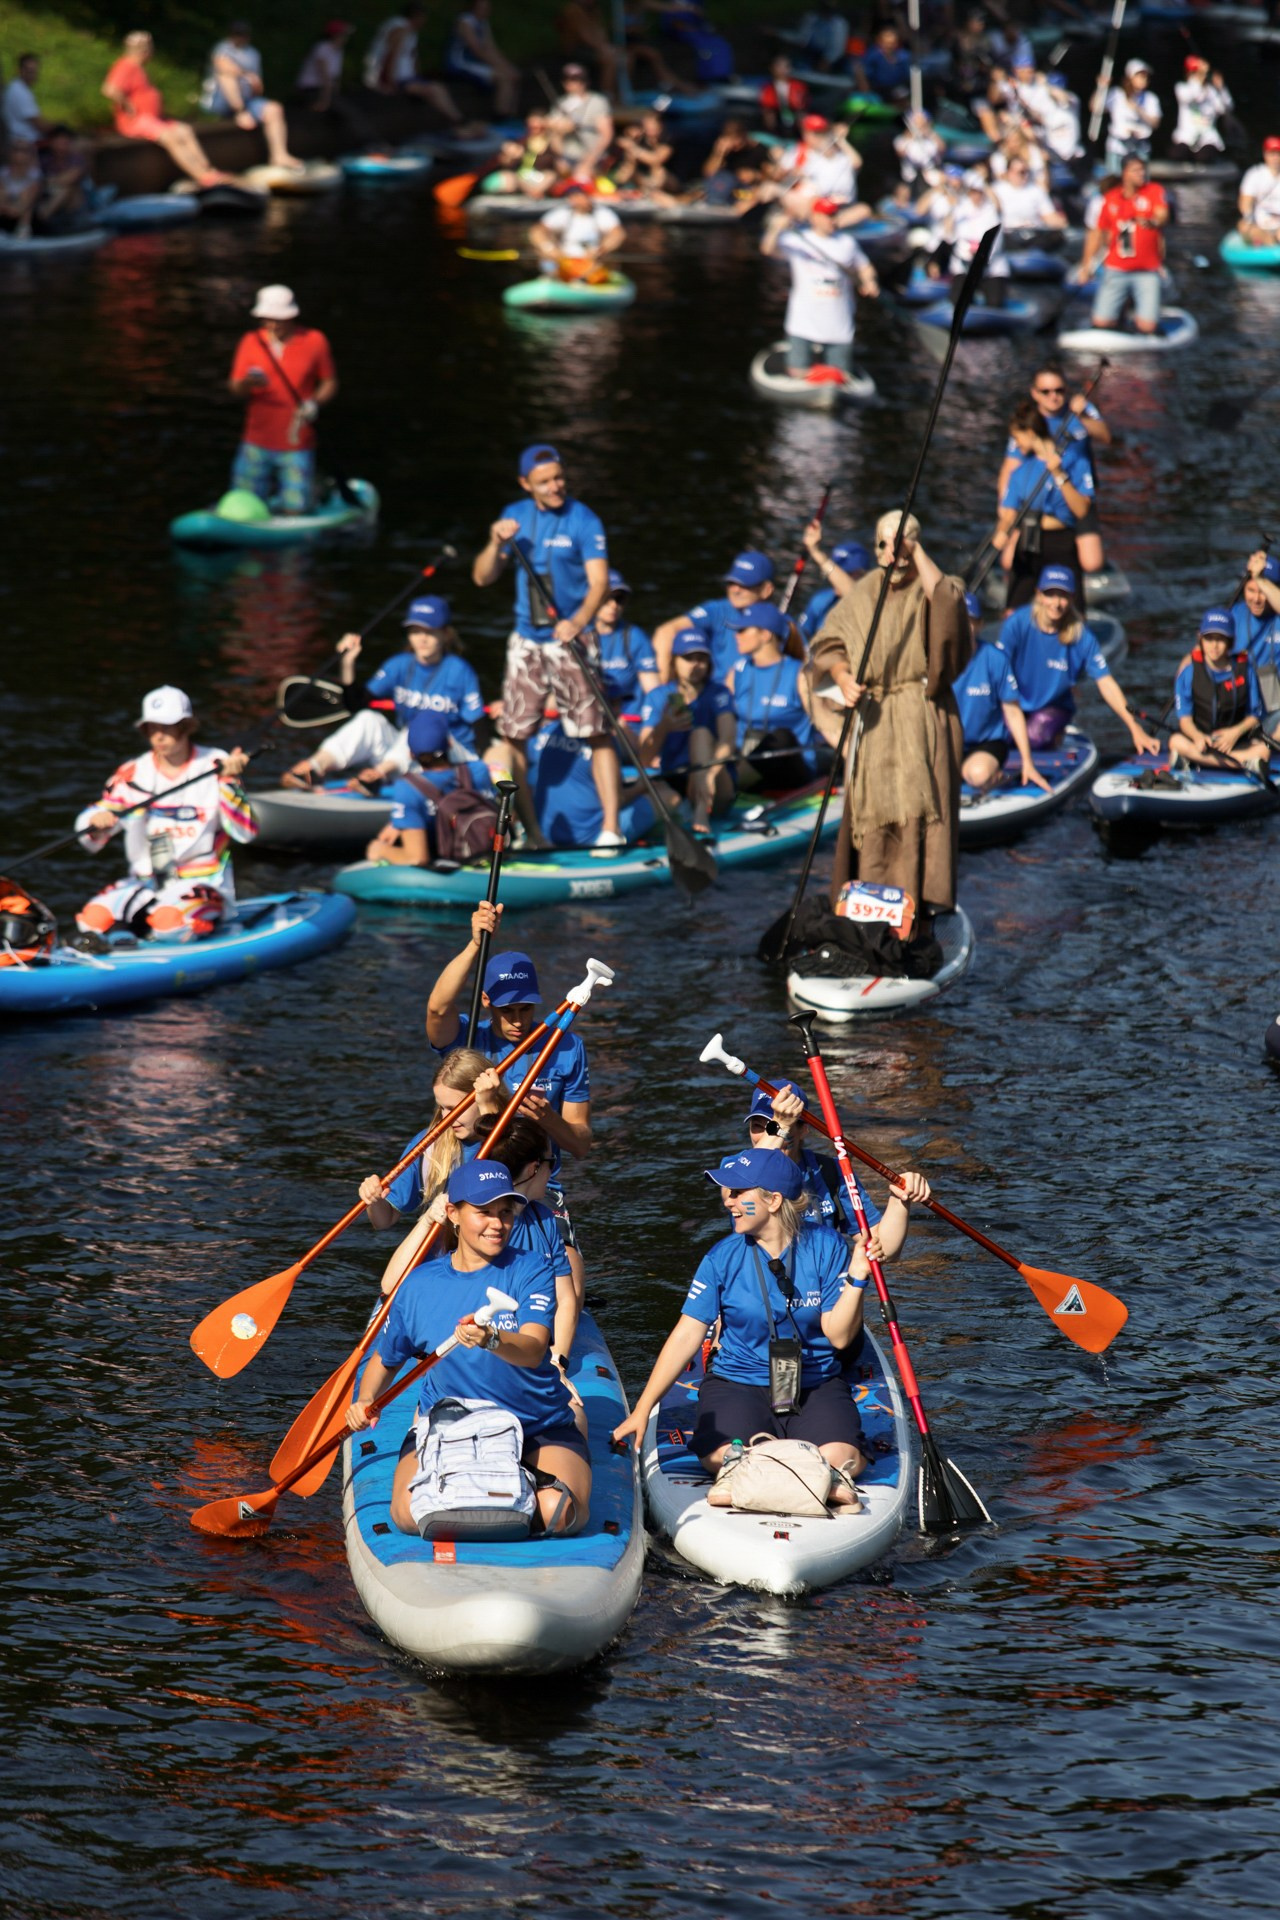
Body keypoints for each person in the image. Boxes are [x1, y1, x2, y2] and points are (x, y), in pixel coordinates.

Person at [611, 1148, 873, 1503]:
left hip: (815, 1381)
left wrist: (858, 1278)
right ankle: (808, 1475)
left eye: (738, 1193)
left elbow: (840, 1337)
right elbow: (687, 1334)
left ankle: (756, 1468)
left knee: (847, 1459)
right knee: (715, 1455)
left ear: (773, 1199)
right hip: (738, 1380)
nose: (728, 1202)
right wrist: (642, 1409)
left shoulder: (828, 1246)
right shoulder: (722, 1257)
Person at [346, 1159, 591, 1538]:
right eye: (484, 1212)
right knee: (410, 1516)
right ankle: (500, 1484)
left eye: (505, 1212)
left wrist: (491, 1339)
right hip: (450, 1424)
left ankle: (563, 1429)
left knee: (559, 1515)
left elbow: (532, 1348)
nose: (498, 1224)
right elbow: (387, 1358)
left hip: (536, 1422)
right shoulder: (420, 1284)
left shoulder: (532, 1268)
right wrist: (365, 1400)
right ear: (452, 1213)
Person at [809, 512, 968, 924]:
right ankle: (869, 902)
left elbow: (949, 602)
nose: (891, 553)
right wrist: (843, 677)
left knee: (920, 808)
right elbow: (829, 642)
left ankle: (921, 902)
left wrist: (913, 550)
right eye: (883, 544)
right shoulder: (865, 592)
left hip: (922, 714)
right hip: (875, 719)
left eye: (900, 544)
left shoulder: (930, 586)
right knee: (873, 811)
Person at [471, 443, 620, 849]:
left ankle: (611, 829)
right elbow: (482, 578)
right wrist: (494, 541)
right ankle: (532, 834)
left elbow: (600, 582)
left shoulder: (583, 519)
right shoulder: (513, 516)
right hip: (526, 642)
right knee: (514, 736)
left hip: (570, 637)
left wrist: (579, 620)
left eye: (559, 478)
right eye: (545, 482)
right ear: (526, 485)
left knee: (595, 732)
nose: (556, 486)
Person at [73, 686, 255, 946]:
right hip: (145, 882)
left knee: (169, 924)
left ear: (187, 727)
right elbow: (92, 832)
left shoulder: (216, 764)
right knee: (91, 921)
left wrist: (229, 782)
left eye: (168, 727)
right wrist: (96, 821)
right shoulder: (132, 772)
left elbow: (246, 832)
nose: (159, 736)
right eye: (152, 728)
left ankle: (176, 928)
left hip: (203, 879)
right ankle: (128, 934)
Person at [426, 917, 592, 1195]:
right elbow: (437, 1009)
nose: (518, 1021)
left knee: (564, 1243)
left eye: (525, 1009)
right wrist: (475, 945)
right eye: (507, 1010)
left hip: (536, 1185)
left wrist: (548, 1119)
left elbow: (581, 1145)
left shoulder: (566, 1047)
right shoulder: (465, 1038)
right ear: (486, 1001)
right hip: (469, 1178)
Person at [285, 596, 487, 791]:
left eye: (430, 632)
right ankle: (315, 767)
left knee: (418, 725)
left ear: (444, 634)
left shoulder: (459, 670)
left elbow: (478, 725)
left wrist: (483, 775)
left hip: (449, 759)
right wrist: (347, 663)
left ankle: (377, 776)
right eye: (416, 631)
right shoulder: (399, 665)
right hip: (407, 757)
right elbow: (355, 705)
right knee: (368, 719)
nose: (422, 639)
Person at [731, 1079, 931, 1243]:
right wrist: (781, 1124)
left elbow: (880, 1249)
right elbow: (752, 1174)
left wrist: (900, 1199)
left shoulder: (832, 1171)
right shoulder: (731, 1171)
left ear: (803, 1130)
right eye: (758, 1126)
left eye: (780, 1125)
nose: (770, 1134)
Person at [997, 565, 1161, 754]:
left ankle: (1055, 735)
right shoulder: (1017, 623)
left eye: (1063, 596)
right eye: (1050, 594)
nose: (1056, 603)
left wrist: (1135, 729)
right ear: (1039, 595)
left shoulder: (1082, 636)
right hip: (1014, 702)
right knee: (1000, 735)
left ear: (1072, 598)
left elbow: (1106, 682)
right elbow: (997, 670)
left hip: (1053, 707)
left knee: (1036, 736)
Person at [360, 1046, 506, 1232]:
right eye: (442, 1108)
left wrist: (489, 1111)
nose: (447, 1118)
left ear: (483, 1098)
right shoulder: (427, 1143)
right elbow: (384, 1221)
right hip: (444, 1256)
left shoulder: (513, 1137)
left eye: (455, 1108)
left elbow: (506, 1164)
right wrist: (374, 1200)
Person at [227, 285, 337, 515]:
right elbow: (235, 388)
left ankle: (308, 501)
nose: (273, 325)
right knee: (244, 501)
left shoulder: (315, 341)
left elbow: (329, 382)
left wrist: (314, 403)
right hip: (256, 440)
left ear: (291, 317)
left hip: (296, 443)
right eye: (267, 319)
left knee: (295, 507)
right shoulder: (250, 342)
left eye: (279, 319)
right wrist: (248, 383)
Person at [996, 363, 1111, 578]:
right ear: (1035, 393)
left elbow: (1106, 436)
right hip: (1037, 497)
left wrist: (1082, 416)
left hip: (1075, 491)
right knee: (1007, 558)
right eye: (1046, 392)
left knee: (1092, 562)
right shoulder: (1029, 422)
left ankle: (1074, 573)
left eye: (1059, 390)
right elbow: (1010, 467)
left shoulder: (1080, 410)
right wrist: (1004, 512)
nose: (1054, 397)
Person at [993, 398, 1096, 608]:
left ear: (1030, 433)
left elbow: (1082, 509)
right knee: (1013, 608)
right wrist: (1002, 531)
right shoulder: (1021, 471)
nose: (1016, 443)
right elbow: (1009, 512)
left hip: (1060, 539)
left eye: (1017, 437)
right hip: (1029, 540)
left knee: (1073, 610)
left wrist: (1059, 475)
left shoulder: (1075, 461)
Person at [760, 199, 878, 379]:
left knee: (840, 375)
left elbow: (864, 267)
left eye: (834, 214)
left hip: (839, 326)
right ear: (815, 217)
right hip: (803, 323)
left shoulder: (847, 243)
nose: (832, 219)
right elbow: (768, 249)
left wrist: (870, 282)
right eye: (827, 215)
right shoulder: (798, 240)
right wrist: (776, 228)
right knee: (798, 372)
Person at [363, 710, 497, 866]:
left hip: (450, 862)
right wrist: (397, 822)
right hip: (488, 852)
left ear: (411, 754)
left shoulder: (408, 788)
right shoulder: (478, 770)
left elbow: (417, 858)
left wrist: (381, 850)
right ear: (450, 744)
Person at [638, 627, 736, 833]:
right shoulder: (659, 696)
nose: (696, 665)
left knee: (700, 733)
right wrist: (664, 726)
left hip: (715, 781)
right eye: (688, 658)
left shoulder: (719, 693)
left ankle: (701, 811)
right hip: (677, 781)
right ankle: (691, 811)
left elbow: (728, 739)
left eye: (702, 658)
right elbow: (644, 758)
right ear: (674, 660)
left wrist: (709, 774)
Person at [102, 31, 230, 187]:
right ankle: (202, 177)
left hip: (153, 119)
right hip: (137, 121)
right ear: (144, 51)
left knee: (184, 130)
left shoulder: (138, 68)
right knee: (171, 136)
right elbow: (110, 89)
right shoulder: (126, 66)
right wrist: (128, 106)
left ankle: (208, 169)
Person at [953, 609, 1049, 794]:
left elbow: (1012, 712)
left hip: (986, 742)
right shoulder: (937, 660)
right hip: (948, 743)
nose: (964, 627)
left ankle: (991, 775)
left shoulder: (995, 658)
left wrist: (1027, 762)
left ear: (980, 625)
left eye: (970, 621)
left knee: (976, 774)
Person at [727, 602, 822, 790]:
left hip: (790, 770)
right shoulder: (736, 672)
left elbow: (827, 724)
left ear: (765, 634)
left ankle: (728, 786)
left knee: (781, 736)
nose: (736, 636)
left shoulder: (800, 675)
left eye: (743, 630)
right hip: (744, 758)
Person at [652, 550, 778, 684]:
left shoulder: (783, 626)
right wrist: (660, 689)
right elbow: (665, 632)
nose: (735, 590)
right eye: (731, 583)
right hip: (714, 695)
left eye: (744, 584)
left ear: (766, 590)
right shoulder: (716, 610)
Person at [1168, 608, 1271, 772]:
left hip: (1233, 743)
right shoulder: (1188, 673)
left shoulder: (1246, 670)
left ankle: (1199, 761)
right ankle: (1241, 763)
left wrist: (1234, 733)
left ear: (1231, 641)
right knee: (1175, 741)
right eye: (1209, 639)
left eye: (1221, 639)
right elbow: (1185, 721)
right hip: (1201, 743)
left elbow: (1254, 715)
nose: (1214, 646)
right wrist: (1197, 736)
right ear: (1200, 639)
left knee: (1263, 750)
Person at [1078, 155, 1169, 337]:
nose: (1141, 174)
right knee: (1101, 322)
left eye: (1143, 170)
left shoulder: (1153, 191)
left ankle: (1141, 317)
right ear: (1125, 173)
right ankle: (1118, 316)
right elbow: (1098, 233)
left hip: (1146, 269)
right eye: (1136, 170)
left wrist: (1153, 221)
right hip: (1116, 268)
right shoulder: (1111, 199)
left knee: (1147, 327)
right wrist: (1087, 265)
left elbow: (1162, 214)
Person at [528, 719, 656, 847]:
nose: (618, 709)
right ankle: (611, 833)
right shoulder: (605, 742)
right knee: (668, 795)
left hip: (543, 833)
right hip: (591, 836)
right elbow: (616, 798)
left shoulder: (547, 730)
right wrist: (641, 787)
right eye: (615, 703)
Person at [201, 22, 304, 171]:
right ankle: (240, 112)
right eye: (237, 34)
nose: (240, 38)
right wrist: (246, 75)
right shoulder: (222, 48)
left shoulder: (253, 54)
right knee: (227, 78)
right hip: (220, 100)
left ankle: (279, 155)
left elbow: (258, 87)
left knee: (274, 109)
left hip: (248, 99)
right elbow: (223, 66)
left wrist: (256, 85)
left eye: (243, 34)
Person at [364, 8, 482, 132]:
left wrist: (418, 75)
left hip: (405, 76)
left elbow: (412, 56)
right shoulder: (400, 29)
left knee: (436, 88)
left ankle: (457, 121)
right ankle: (460, 121)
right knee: (435, 90)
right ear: (416, 16)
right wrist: (389, 81)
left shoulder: (409, 31)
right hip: (395, 78)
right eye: (423, 18)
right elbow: (391, 56)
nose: (424, 22)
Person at [529, 181, 624, 281]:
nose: (576, 199)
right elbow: (537, 231)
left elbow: (617, 233)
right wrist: (549, 249)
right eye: (572, 196)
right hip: (564, 261)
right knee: (547, 261)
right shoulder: (562, 212)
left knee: (603, 264)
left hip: (592, 261)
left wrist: (602, 249)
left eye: (580, 196)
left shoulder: (602, 213)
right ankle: (556, 278)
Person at [594, 570, 660, 713]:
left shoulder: (636, 636)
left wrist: (675, 709)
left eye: (619, 599)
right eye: (607, 598)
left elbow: (653, 689)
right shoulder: (578, 634)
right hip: (590, 713)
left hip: (628, 717)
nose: (613, 605)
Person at [446, 0, 520, 119]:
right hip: (462, 63)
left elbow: (491, 48)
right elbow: (477, 50)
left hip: (477, 63)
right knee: (504, 78)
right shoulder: (465, 21)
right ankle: (501, 116)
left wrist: (507, 66)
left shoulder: (483, 23)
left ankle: (512, 115)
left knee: (513, 75)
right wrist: (501, 68)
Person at [949, 170, 1010, 304]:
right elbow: (948, 231)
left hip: (992, 266)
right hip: (964, 266)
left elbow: (998, 206)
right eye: (973, 191)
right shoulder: (960, 209)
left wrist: (984, 183)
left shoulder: (991, 209)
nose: (976, 195)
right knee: (958, 301)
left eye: (979, 191)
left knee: (995, 302)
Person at [798, 528, 870, 640]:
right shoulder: (820, 601)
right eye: (833, 573)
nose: (834, 580)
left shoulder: (872, 603)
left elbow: (854, 594)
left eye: (845, 573)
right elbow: (801, 639)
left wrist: (815, 552)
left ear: (863, 574)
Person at [1236, 552, 1280, 734]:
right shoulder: (1233, 616)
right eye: (1251, 590)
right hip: (1245, 713)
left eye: (1262, 591)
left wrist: (1259, 579)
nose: (1256, 599)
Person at [1094, 58, 1160, 176]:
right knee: (1115, 181)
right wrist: (1101, 88)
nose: (1144, 79)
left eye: (1146, 76)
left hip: (1140, 148)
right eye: (1140, 76)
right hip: (1118, 147)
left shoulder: (1150, 98)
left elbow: (1155, 123)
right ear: (1130, 77)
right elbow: (1096, 108)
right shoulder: (1116, 94)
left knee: (1140, 181)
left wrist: (1139, 110)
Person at [547, 62, 614, 179]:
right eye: (568, 80)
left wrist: (588, 162)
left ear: (586, 81)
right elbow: (552, 133)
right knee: (559, 173)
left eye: (577, 80)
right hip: (568, 156)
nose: (573, 84)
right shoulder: (560, 103)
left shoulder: (598, 101)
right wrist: (559, 131)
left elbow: (606, 135)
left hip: (593, 156)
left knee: (582, 177)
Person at [700, 119, 779, 209]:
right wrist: (719, 154)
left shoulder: (759, 150)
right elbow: (709, 173)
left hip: (746, 190)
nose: (735, 144)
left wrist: (755, 175)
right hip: (725, 187)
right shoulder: (727, 151)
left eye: (737, 140)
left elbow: (771, 176)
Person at [1170, 56, 1232, 160]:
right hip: (1186, 138)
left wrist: (1221, 88)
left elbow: (1224, 109)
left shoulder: (1211, 91)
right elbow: (1190, 96)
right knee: (1178, 153)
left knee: (1204, 156)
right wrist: (1198, 79)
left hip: (1207, 138)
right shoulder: (1181, 87)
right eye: (1195, 73)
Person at [991, 153, 1066, 232]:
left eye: (1027, 171)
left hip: (1033, 232)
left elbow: (1049, 216)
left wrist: (1062, 224)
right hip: (1008, 233)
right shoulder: (996, 190)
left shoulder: (1036, 190)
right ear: (1009, 172)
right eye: (1021, 172)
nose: (1025, 175)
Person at [612, 110, 676, 198]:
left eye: (652, 125)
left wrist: (633, 148)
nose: (648, 128)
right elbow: (630, 163)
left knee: (659, 171)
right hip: (643, 178)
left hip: (668, 179)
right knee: (627, 168)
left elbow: (656, 159)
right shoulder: (640, 139)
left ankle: (653, 194)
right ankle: (617, 187)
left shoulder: (667, 139)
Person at [296, 20, 355, 113]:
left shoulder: (338, 51)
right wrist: (325, 100)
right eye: (344, 34)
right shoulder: (322, 48)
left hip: (324, 88)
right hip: (311, 89)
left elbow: (335, 77)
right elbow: (325, 76)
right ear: (335, 35)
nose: (346, 37)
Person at [4, 52, 53, 146]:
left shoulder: (19, 88)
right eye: (29, 71)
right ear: (19, 70)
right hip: (25, 142)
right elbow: (39, 124)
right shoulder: (19, 91)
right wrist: (58, 127)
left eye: (35, 71)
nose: (33, 75)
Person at [1238, 138, 1280, 249]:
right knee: (1244, 227)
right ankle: (1270, 245)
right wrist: (1248, 217)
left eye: (1278, 154)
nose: (1275, 158)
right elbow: (1246, 201)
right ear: (1265, 154)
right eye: (1272, 154)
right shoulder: (1255, 174)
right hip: (1259, 223)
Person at [857, 27, 912, 105]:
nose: (889, 46)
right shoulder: (873, 56)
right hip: (877, 89)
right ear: (879, 42)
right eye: (886, 43)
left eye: (892, 43)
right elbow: (862, 72)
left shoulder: (903, 56)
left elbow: (908, 75)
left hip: (898, 89)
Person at [0, 143, 44, 238]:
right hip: (6, 208)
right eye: (16, 150)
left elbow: (32, 197)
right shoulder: (3, 172)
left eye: (23, 151)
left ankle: (23, 233)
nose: (19, 154)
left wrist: (16, 209)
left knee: (25, 196)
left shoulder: (35, 174)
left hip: (27, 210)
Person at [760, 55, 809, 137]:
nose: (783, 70)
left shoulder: (799, 86)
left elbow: (801, 104)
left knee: (802, 115)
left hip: (795, 115)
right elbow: (767, 105)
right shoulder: (768, 88)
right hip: (777, 116)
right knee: (769, 114)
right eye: (779, 66)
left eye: (786, 66)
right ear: (772, 68)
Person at [894, 110, 944, 188]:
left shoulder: (931, 138)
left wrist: (928, 132)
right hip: (910, 175)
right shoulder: (902, 139)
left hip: (929, 174)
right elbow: (900, 152)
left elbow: (942, 149)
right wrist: (913, 133)